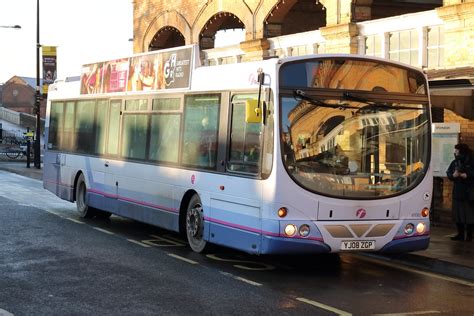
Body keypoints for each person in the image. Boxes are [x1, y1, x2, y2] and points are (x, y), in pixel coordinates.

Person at [446, 143, 474, 241]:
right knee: (458, 215)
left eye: (456, 150)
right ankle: (461, 234)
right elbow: (449, 172)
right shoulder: (455, 162)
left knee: (469, 215)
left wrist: (468, 175)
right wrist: (453, 175)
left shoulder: (471, 161)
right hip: (458, 192)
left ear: (461, 151)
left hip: (468, 192)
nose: (455, 152)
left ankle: (470, 235)